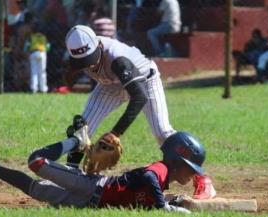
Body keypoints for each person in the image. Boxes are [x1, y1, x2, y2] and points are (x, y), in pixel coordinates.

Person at [64, 25, 216, 199]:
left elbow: (139, 97)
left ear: (98, 45)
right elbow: (69, 72)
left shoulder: (118, 60)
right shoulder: (79, 52)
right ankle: (70, 179)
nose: (89, 64)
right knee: (82, 131)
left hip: (145, 82)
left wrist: (115, 133)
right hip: (110, 85)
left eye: (90, 58)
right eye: (83, 61)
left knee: (163, 133)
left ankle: (203, 180)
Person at [0, 131, 207, 213]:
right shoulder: (161, 169)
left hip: (89, 204)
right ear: (176, 160)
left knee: (37, 190)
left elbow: (141, 198)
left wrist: (171, 201)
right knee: (36, 162)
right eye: (191, 168)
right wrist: (163, 206)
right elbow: (148, 177)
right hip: (93, 186)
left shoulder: (164, 182)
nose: (193, 174)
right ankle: (74, 141)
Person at [24, 24, 49, 93]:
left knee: (34, 71)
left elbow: (27, 46)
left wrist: (27, 52)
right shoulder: (44, 37)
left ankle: (34, 88)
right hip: (42, 53)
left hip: (33, 53)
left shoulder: (31, 37)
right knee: (42, 71)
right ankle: (43, 88)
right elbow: (48, 47)